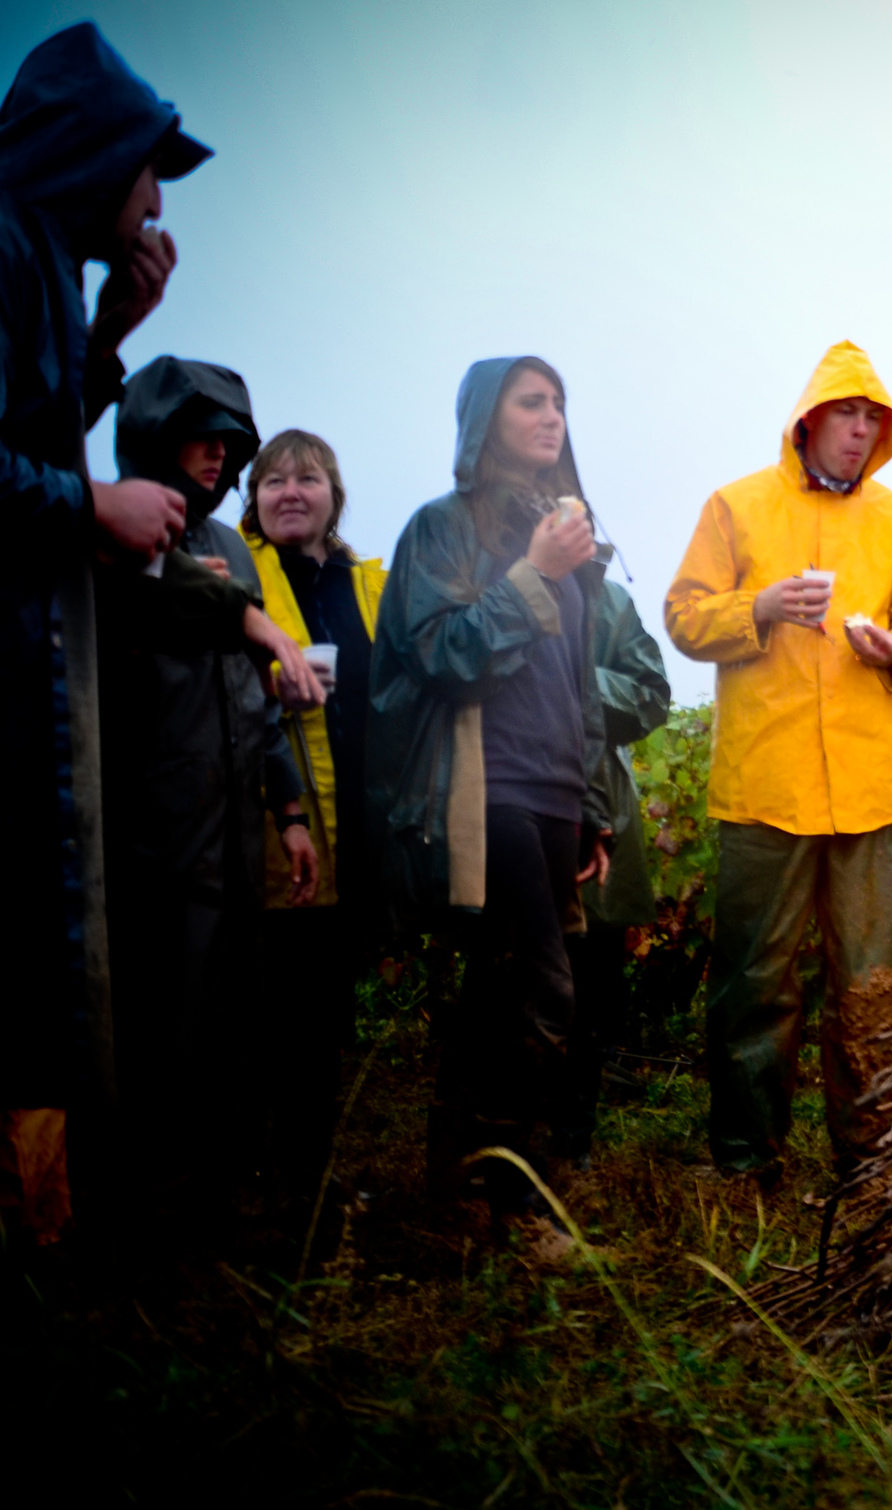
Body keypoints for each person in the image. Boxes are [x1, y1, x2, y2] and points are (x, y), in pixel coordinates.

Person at [0, 22, 213, 1249]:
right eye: (148, 174)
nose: (151, 206)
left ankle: (42, 1224)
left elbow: (31, 424)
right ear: (92, 157)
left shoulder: (37, 260)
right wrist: (92, 503)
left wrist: (109, 337)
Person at [666, 341, 892, 1194]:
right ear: (809, 421)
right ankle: (748, 1164)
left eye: (873, 420)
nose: (859, 434)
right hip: (764, 789)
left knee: (874, 987)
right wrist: (760, 607)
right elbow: (684, 617)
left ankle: (874, 1166)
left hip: (873, 793)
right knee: (755, 984)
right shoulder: (736, 507)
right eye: (847, 416)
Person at [369, 357, 611, 1245]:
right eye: (531, 400)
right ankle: (509, 1200)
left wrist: (590, 808)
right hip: (486, 790)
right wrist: (532, 574)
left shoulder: (565, 539)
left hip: (549, 798)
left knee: (499, 999)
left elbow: (573, 693)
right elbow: (438, 653)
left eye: (559, 403)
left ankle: (463, 1198)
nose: (552, 417)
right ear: (485, 419)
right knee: (543, 994)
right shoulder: (442, 528)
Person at [98, 356, 325, 1223]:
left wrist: (290, 810)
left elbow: (254, 693)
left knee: (234, 1003)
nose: (219, 456)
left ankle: (226, 1192)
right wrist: (245, 618)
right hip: (154, 821)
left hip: (232, 819)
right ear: (156, 434)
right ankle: (155, 1204)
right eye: (201, 436)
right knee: (165, 1008)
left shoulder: (229, 545)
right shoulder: (124, 535)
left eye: (231, 442)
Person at [238, 429, 390, 1207]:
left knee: (323, 1006)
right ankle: (260, 1175)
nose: (290, 491)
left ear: (335, 495)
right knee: (270, 1005)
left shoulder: (368, 581)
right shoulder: (233, 570)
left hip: (353, 825)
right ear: (253, 499)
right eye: (272, 481)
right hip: (271, 817)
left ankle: (305, 1173)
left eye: (308, 478)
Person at [554, 577, 671, 1166]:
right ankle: (503, 1148)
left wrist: (576, 683)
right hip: (503, 803)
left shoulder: (606, 596)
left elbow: (652, 696)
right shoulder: (478, 575)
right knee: (513, 985)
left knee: (592, 993)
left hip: (600, 810)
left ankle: (572, 1144)